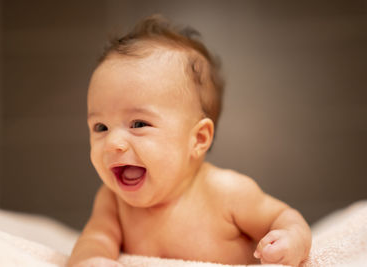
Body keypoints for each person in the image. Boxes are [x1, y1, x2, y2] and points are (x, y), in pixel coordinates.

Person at [68, 14, 311, 267]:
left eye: (138, 124)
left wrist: (291, 238)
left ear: (198, 138)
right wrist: (92, 260)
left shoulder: (226, 192)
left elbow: (283, 217)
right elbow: (94, 240)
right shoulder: (113, 201)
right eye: (101, 127)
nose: (112, 143)